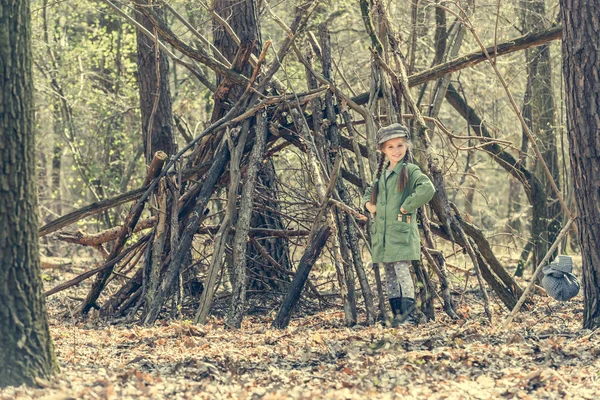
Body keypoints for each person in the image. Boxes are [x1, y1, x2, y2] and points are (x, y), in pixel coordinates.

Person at [363, 123, 436, 327]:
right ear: (383, 150)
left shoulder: (410, 170)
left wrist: (406, 207)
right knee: (390, 275)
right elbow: (368, 193)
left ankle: (408, 316)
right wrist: (370, 206)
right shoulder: (382, 174)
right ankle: (397, 317)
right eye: (390, 147)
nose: (396, 151)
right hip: (384, 236)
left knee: (403, 272)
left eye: (400, 146)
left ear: (407, 147)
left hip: (401, 233)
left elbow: (427, 189)